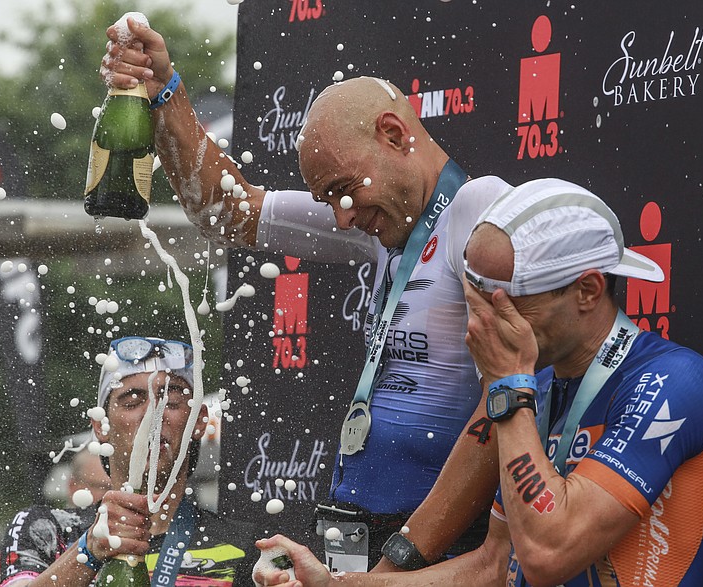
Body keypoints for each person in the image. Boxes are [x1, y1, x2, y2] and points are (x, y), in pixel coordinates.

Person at [102, 18, 513, 568]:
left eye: (344, 190)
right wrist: (164, 92)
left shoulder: (478, 210)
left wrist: (402, 557)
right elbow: (227, 212)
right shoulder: (386, 226)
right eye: (328, 199)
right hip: (368, 536)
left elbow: (506, 402)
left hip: (431, 548)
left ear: (394, 134)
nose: (341, 217)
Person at [251, 178, 703, 586]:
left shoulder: (672, 380)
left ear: (587, 290)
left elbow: (547, 555)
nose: (478, 326)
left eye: (505, 303)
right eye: (474, 300)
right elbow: (495, 565)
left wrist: (507, 384)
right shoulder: (534, 391)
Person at [0, 336, 256, 586]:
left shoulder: (245, 546)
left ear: (200, 421)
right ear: (101, 426)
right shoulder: (46, 529)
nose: (152, 414)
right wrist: (90, 551)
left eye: (171, 400)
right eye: (132, 401)